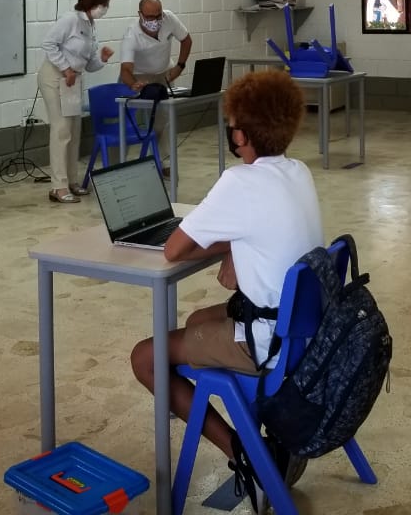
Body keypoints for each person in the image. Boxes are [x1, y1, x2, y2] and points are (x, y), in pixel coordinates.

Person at [129, 70, 321, 510]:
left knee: (146, 357)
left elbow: (175, 250)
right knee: (196, 323)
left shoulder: (240, 181)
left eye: (232, 124)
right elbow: (252, 230)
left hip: (268, 344)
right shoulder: (297, 171)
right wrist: (231, 238)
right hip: (304, 331)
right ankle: (266, 443)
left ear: (242, 133)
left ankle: (246, 454)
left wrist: (213, 235)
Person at [39, 0, 115, 203]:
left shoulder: (90, 25)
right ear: (91, 3)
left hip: (73, 80)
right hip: (54, 77)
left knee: (74, 130)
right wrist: (65, 68)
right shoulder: (70, 19)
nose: (104, 9)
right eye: (103, 4)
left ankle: (72, 180)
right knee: (61, 130)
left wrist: (103, 58)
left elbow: (90, 64)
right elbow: (48, 43)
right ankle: (58, 186)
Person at [117, 0, 192, 174]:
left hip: (163, 73)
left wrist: (180, 66)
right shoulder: (131, 34)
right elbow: (125, 70)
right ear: (140, 15)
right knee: (126, 121)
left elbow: (186, 40)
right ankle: (116, 166)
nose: (155, 21)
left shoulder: (169, 18)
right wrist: (134, 84)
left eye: (158, 16)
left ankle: (164, 162)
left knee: (163, 121)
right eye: (150, 17)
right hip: (138, 75)